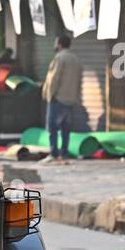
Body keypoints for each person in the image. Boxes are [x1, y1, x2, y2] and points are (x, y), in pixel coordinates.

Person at [42, 34, 82, 163]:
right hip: (71, 99)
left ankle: (53, 153)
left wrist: (49, 95)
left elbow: (54, 79)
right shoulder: (75, 59)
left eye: (55, 43)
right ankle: (64, 153)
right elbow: (79, 80)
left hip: (57, 99)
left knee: (52, 128)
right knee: (66, 129)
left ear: (59, 44)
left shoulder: (59, 58)